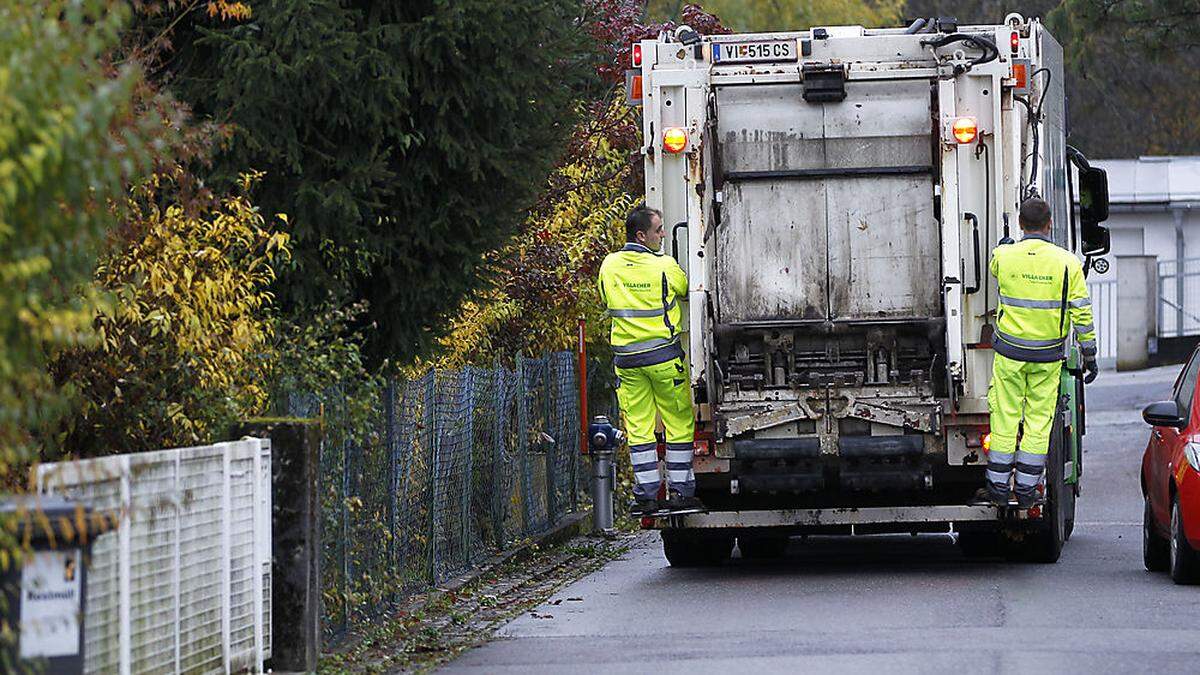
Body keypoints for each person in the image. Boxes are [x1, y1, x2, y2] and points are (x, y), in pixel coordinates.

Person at [979, 196, 1099, 508]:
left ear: (1020, 223)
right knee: (1038, 421)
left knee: (1005, 418)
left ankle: (998, 489)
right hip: (1046, 357)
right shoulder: (1068, 263)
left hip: (1010, 355)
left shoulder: (1004, 257)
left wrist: (1006, 245)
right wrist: (1089, 353)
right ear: (1049, 225)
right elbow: (1082, 314)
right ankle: (1027, 490)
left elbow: (995, 262)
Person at [597, 205, 703, 516]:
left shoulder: (609, 265)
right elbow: (685, 290)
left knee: (640, 427)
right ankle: (681, 492)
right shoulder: (665, 266)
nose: (662, 235)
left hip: (628, 362)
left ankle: (646, 496)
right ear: (641, 235)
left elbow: (605, 297)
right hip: (664, 359)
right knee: (678, 421)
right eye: (658, 230)